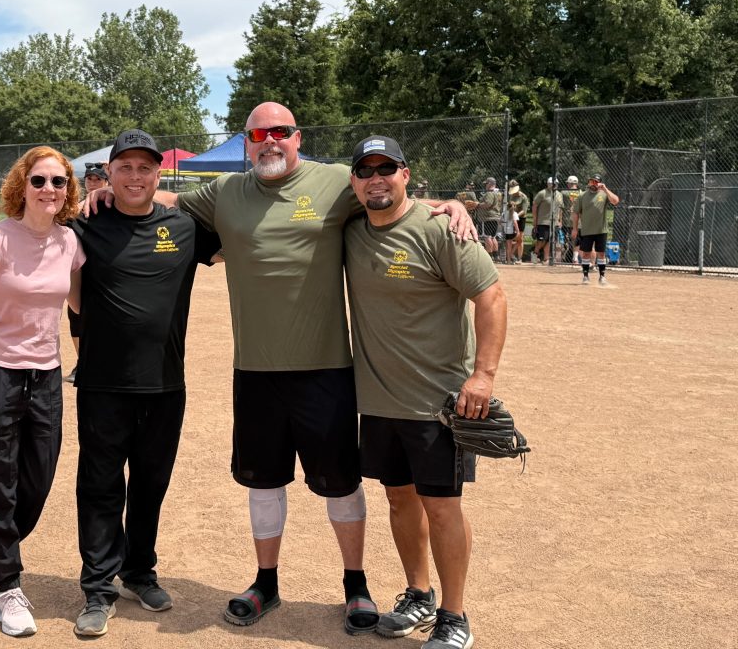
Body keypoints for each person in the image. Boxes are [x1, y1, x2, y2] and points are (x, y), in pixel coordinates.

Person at [86, 102, 476, 635]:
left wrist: (448, 203)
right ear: (246, 142)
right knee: (263, 482)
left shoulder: (337, 181)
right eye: (258, 134)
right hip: (255, 370)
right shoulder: (226, 192)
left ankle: (355, 585)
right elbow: (163, 196)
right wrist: (112, 191)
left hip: (327, 369)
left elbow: (386, 192)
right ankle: (265, 582)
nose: (270, 141)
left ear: (297, 137)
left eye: (281, 132)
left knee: (340, 485)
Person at [0, 130, 221, 639]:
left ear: (157, 174)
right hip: (103, 384)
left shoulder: (186, 227)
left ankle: (140, 571)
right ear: (108, 175)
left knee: (152, 484)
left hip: (166, 384)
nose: (135, 177)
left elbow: (250, 246)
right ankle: (99, 588)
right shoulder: (85, 226)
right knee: (101, 487)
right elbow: (33, 234)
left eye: (145, 168)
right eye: (124, 167)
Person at [343, 135, 506, 648]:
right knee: (398, 500)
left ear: (406, 174)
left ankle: (455, 616)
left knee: (442, 507)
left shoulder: (440, 227)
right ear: (353, 181)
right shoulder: (350, 228)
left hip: (438, 403)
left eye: (386, 168)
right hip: (380, 402)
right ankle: (419, 595)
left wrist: (483, 376)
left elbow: (493, 296)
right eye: (365, 170)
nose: (376, 178)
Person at [0, 146, 84, 637]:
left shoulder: (70, 242)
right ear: (22, 186)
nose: (50, 190)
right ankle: (5, 585)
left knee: (37, 483)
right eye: (40, 181)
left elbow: (81, 302)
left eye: (59, 182)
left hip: (46, 377)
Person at [65, 162, 110, 384]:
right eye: (90, 178)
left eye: (98, 179)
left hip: (100, 271)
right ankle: (82, 360)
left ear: (106, 181)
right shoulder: (74, 210)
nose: (93, 182)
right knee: (75, 318)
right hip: (78, 271)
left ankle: (97, 360)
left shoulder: (111, 207)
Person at [571, 173, 620, 285]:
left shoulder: (603, 194)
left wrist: (605, 189)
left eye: (596, 182)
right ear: (589, 182)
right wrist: (574, 228)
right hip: (587, 230)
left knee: (601, 253)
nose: (594, 184)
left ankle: (602, 277)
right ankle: (585, 277)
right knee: (586, 253)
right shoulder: (582, 196)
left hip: (601, 230)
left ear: (600, 183)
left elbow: (615, 201)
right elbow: (575, 213)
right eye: (592, 181)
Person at [531, 178, 563, 264]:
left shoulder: (559, 195)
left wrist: (560, 220)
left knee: (550, 241)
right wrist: (535, 220)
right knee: (541, 240)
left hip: (555, 222)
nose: (553, 185)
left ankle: (546, 259)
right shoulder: (542, 193)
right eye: (551, 183)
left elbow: (560, 209)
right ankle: (535, 254)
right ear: (547, 184)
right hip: (543, 221)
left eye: (555, 183)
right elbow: (534, 206)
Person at [476, 177, 502, 260]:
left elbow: (488, 204)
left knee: (487, 237)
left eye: (486, 184)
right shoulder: (498, 193)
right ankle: (496, 255)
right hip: (494, 217)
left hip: (487, 218)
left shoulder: (489, 193)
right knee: (493, 237)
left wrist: (477, 205)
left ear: (490, 184)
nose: (485, 185)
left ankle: (489, 256)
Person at [507, 180, 530, 264]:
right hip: (512, 218)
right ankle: (511, 256)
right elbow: (509, 207)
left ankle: (519, 258)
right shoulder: (511, 196)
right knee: (511, 237)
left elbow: (524, 211)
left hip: (521, 219)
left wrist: (515, 216)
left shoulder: (523, 197)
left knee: (519, 239)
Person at [561, 176, 582, 263]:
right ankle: (575, 258)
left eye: (568, 183)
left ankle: (562, 256)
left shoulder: (564, 193)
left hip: (566, 220)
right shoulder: (582, 193)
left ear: (569, 183)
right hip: (579, 221)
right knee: (576, 240)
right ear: (576, 183)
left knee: (565, 239)